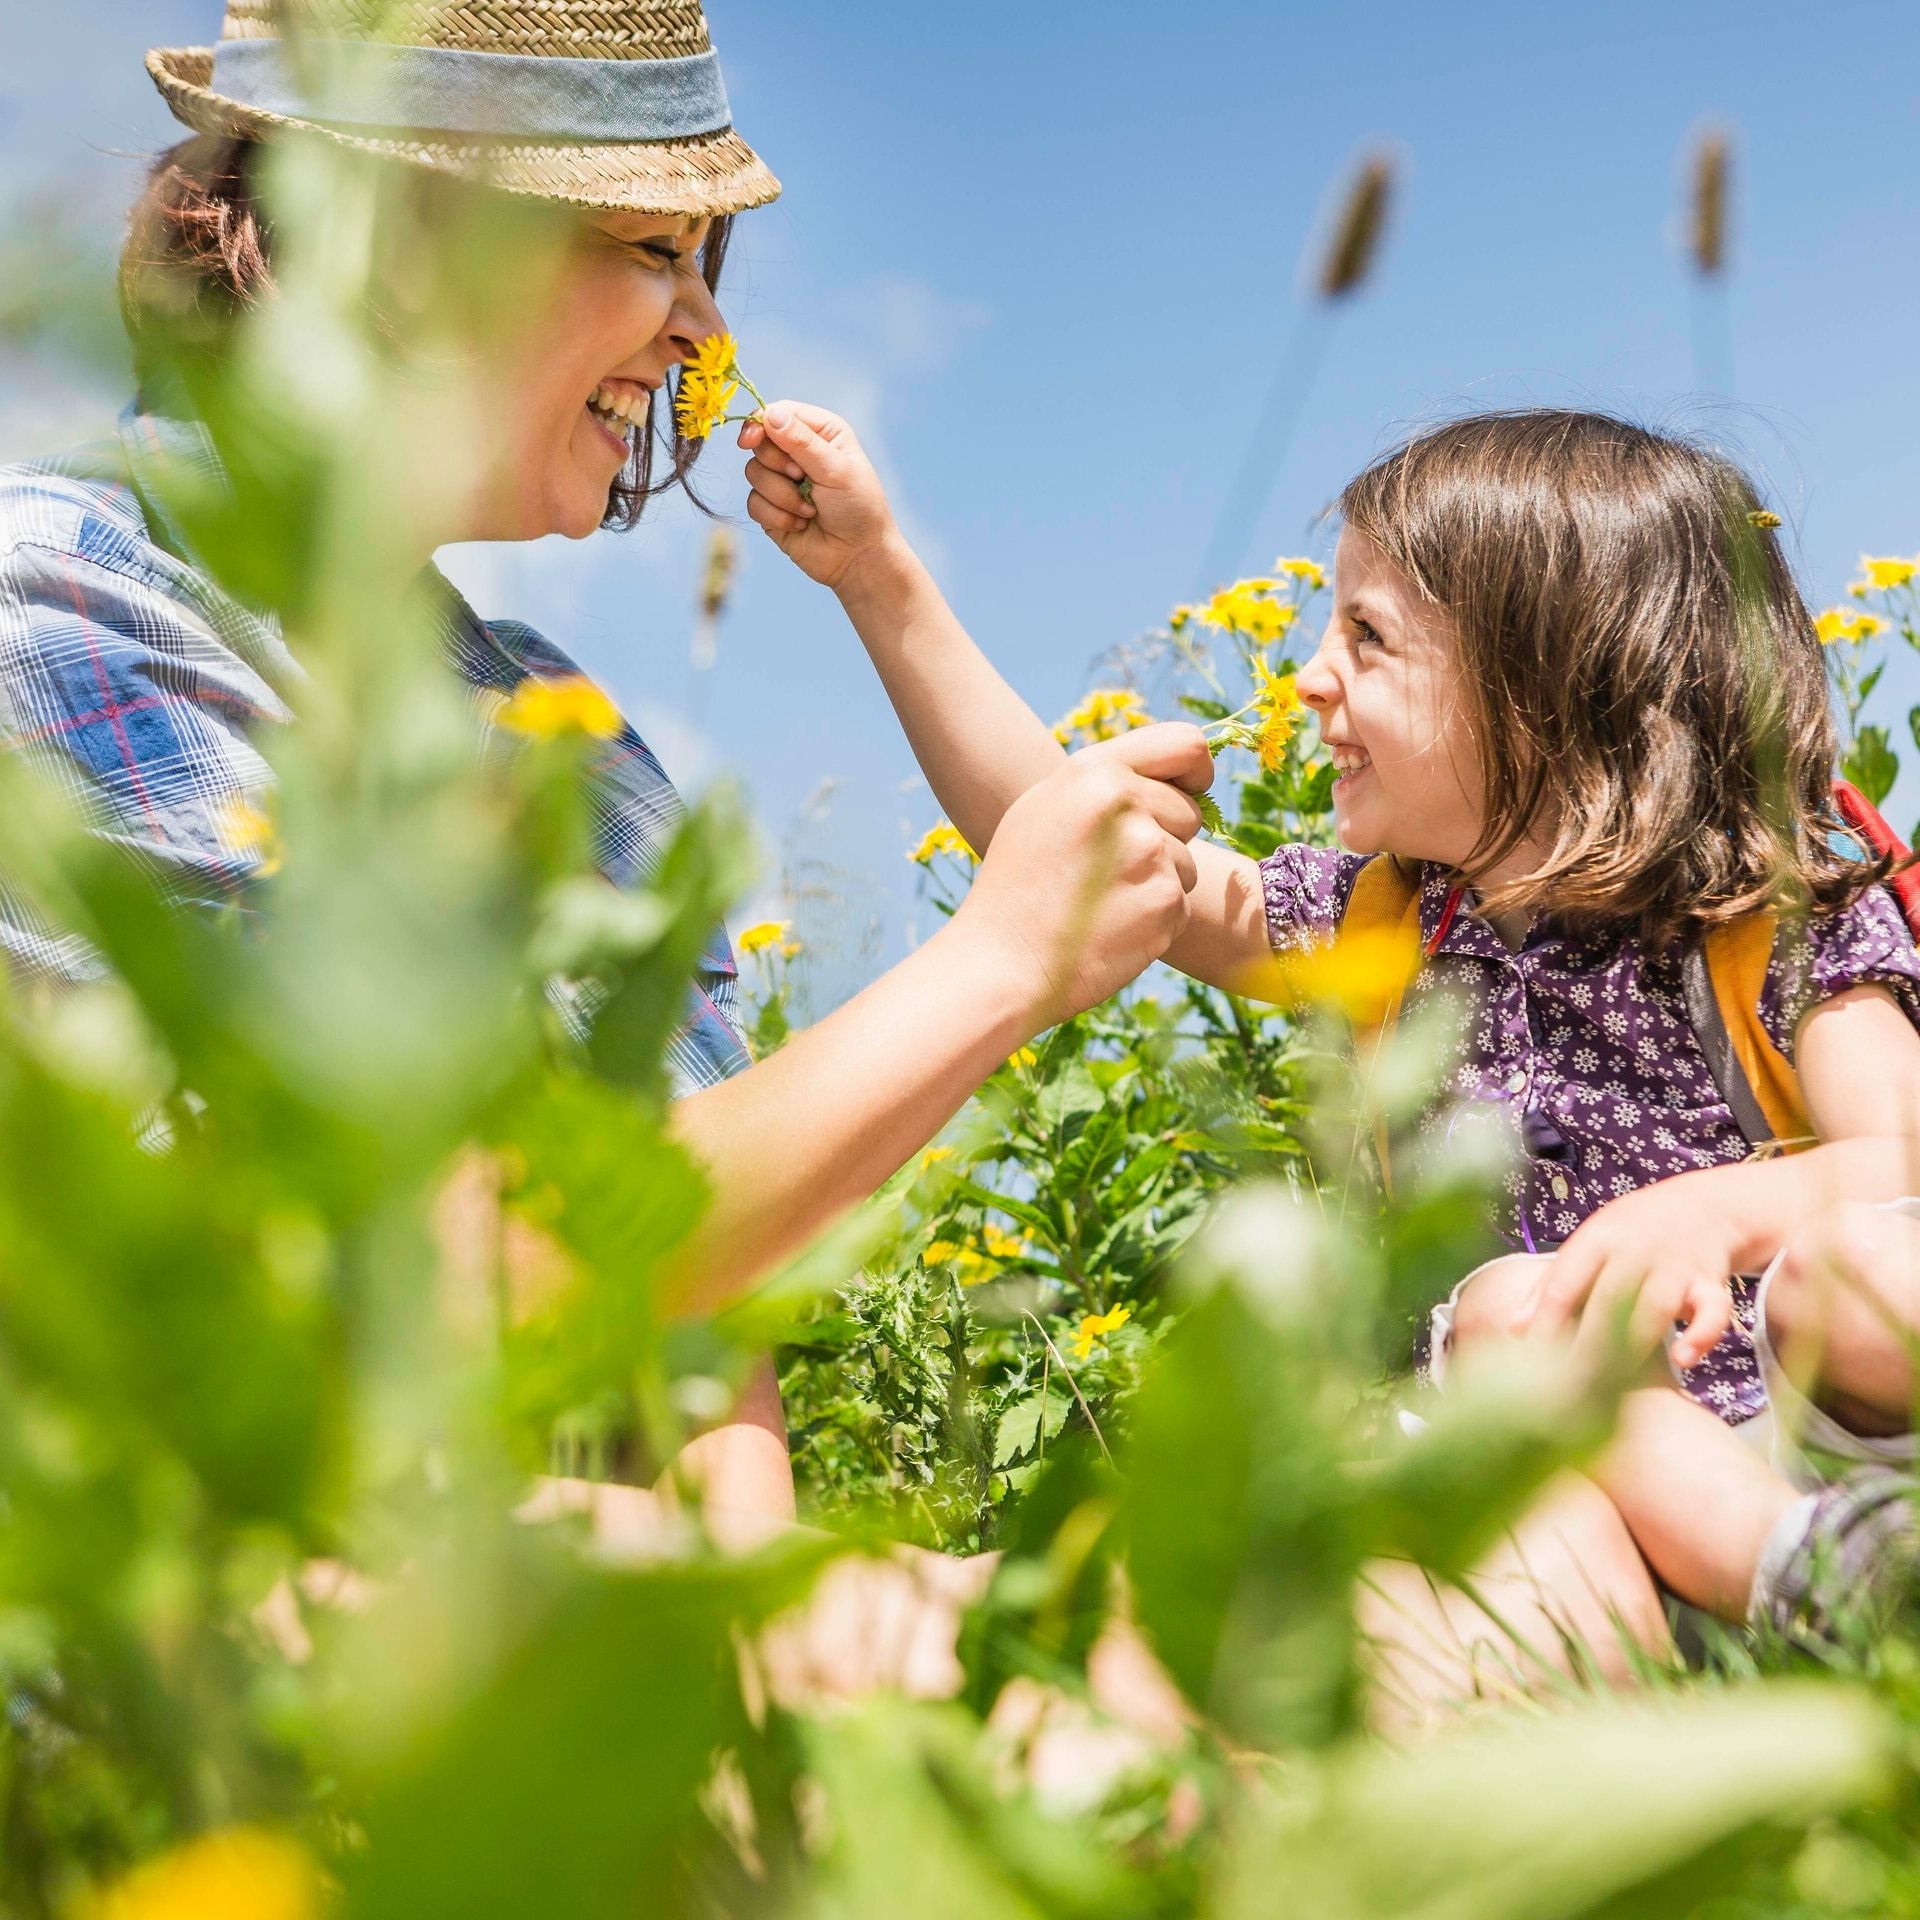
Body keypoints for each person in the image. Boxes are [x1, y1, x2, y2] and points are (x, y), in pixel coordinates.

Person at [0, 0, 1213, 1518]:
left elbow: (697, 1282)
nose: (706, 328)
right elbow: (391, 1279)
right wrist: (996, 964)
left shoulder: (547, 721)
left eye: (705, 264)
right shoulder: (63, 604)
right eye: (654, 252)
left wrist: (766, 1648)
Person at [738, 398, 1920, 1707]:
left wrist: (1707, 1212)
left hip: (1809, 1433)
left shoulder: (1781, 911)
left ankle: (1820, 1575)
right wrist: (879, 577)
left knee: (1869, 1272)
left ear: (1554, 683)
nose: (1309, 676)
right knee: (1504, 1318)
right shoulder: (1385, 927)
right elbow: (1070, 851)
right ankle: (1795, 1610)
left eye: (1369, 635)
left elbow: (1895, 1161)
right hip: (1544, 1478)